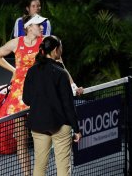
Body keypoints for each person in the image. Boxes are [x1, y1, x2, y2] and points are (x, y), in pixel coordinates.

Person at [0, 14, 82, 176]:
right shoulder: (16, 43)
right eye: (38, 25)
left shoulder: (47, 43)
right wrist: (15, 71)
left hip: (39, 94)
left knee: (41, 145)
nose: (41, 27)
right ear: (28, 27)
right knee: (22, 140)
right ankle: (27, 174)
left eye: (41, 25)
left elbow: (61, 66)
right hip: (19, 97)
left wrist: (74, 86)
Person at [22, 35, 82, 176]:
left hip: (38, 124)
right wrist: (76, 129)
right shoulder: (61, 73)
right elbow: (68, 105)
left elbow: (26, 99)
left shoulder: (31, 71)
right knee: (63, 168)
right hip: (60, 126)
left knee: (39, 168)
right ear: (55, 50)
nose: (61, 51)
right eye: (60, 48)